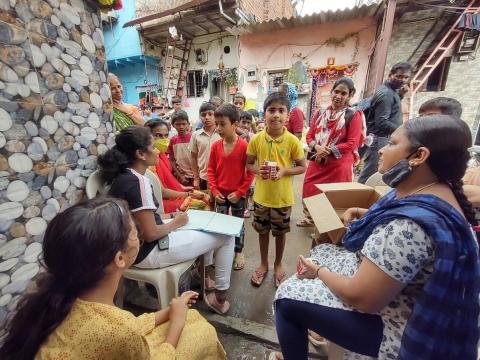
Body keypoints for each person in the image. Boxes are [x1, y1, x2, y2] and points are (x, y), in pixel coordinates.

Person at [274, 115, 480, 360]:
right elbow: (391, 210)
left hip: (399, 330)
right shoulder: (436, 190)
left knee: (286, 299)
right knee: (324, 253)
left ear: (419, 156)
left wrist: (317, 271)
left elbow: (362, 299)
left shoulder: (407, 228)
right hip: (408, 304)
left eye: (392, 143)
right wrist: (363, 212)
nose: (381, 149)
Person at [0, 197, 226, 360]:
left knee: (192, 317)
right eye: (134, 232)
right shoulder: (117, 329)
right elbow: (123, 334)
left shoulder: (60, 302)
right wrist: (176, 321)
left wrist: (169, 311)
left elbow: (120, 330)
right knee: (202, 331)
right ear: (119, 258)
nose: (138, 235)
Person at [98, 126, 235, 314]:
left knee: (207, 225)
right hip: (147, 251)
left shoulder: (126, 176)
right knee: (227, 235)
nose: (157, 150)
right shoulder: (137, 183)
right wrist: (176, 223)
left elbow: (143, 219)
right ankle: (219, 298)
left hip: (132, 249)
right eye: (153, 146)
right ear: (141, 154)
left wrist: (171, 217)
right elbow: (151, 233)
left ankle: (199, 274)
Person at [246, 92, 306, 288]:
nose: (276, 115)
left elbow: (302, 166)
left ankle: (278, 264)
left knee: (280, 233)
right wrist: (259, 171)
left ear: (288, 115)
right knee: (262, 232)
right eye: (272, 110)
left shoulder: (292, 141)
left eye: (281, 110)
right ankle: (263, 263)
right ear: (265, 114)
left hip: (282, 198)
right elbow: (249, 165)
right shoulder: (256, 139)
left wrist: (284, 171)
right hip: (262, 197)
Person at [297, 78, 364, 227]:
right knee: (310, 188)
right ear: (332, 92)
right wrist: (317, 147)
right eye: (336, 91)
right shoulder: (320, 112)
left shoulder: (353, 115)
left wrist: (330, 150)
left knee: (334, 196)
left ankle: (328, 226)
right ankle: (311, 219)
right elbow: (309, 135)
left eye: (344, 93)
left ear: (350, 95)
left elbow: (352, 142)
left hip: (339, 165)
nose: (338, 96)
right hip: (318, 159)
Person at [207, 104, 255, 271]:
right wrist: (214, 190)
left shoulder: (244, 146)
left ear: (235, 124)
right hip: (220, 193)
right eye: (217, 124)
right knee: (220, 224)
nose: (219, 128)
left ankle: (238, 251)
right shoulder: (215, 146)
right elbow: (211, 170)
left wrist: (240, 192)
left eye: (223, 124)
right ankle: (220, 250)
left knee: (238, 224)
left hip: (238, 195)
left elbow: (250, 173)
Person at [358, 62, 412, 183]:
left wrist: (401, 95)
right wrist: (402, 131)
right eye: (399, 76)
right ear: (390, 75)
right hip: (379, 139)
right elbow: (382, 122)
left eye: (406, 77)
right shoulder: (386, 94)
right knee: (370, 175)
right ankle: (359, 198)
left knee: (373, 173)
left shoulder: (392, 91)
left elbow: (391, 111)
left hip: (379, 138)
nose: (402, 80)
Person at [144, 119, 195, 213]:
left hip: (169, 195)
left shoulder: (161, 155)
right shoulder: (149, 161)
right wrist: (186, 194)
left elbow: (168, 179)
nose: (163, 139)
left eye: (166, 135)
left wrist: (181, 187)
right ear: (148, 137)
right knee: (201, 203)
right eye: (158, 135)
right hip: (160, 202)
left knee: (203, 197)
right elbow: (162, 192)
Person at [189, 102, 221, 190]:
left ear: (216, 116)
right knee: (206, 202)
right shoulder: (196, 135)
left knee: (221, 202)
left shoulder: (222, 134)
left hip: (221, 177)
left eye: (210, 114)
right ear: (200, 117)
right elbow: (193, 157)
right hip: (203, 177)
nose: (206, 117)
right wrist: (196, 178)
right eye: (203, 115)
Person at [168, 110, 195, 187]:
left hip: (195, 175)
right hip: (182, 176)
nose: (181, 127)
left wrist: (196, 176)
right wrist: (180, 176)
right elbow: (172, 159)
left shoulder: (194, 138)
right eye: (178, 124)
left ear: (188, 124)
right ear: (173, 125)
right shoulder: (173, 140)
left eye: (183, 124)